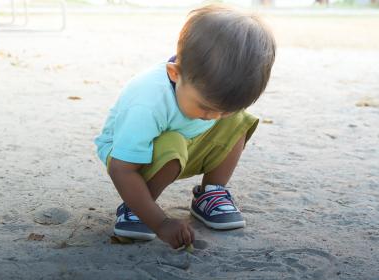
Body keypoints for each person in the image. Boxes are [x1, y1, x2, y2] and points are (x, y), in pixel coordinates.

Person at [94, 5, 276, 249]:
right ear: (174, 73)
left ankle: (210, 193)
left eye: (224, 109)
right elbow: (121, 169)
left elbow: (220, 113)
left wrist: (226, 114)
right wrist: (160, 223)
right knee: (173, 145)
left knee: (239, 121)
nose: (213, 117)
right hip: (131, 159)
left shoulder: (211, 108)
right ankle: (138, 207)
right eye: (205, 106)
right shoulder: (147, 102)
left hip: (188, 142)